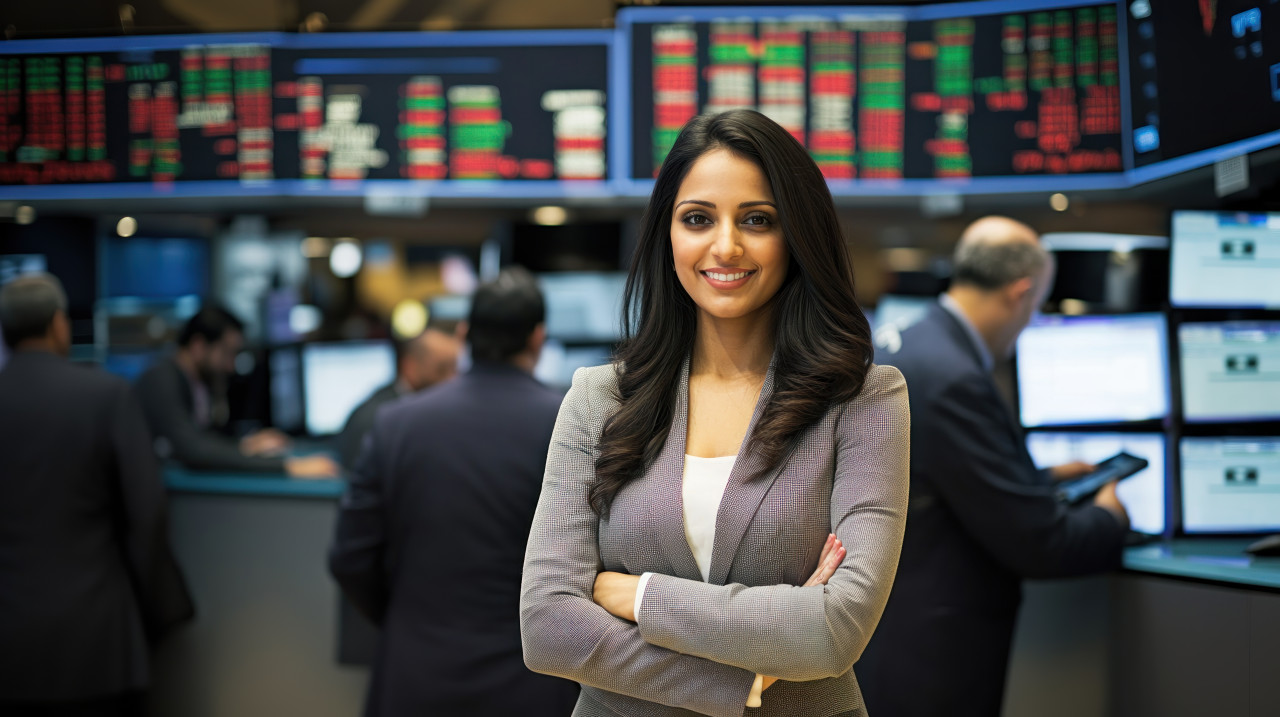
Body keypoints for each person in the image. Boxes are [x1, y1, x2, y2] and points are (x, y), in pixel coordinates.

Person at [519, 109, 910, 717]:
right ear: (667, 234)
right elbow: (548, 626)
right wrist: (747, 678)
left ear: (798, 236)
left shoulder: (863, 399)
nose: (725, 246)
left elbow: (838, 628)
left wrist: (639, 594)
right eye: (698, 219)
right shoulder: (600, 398)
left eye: (757, 220)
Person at [855, 216, 1131, 717]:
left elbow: (933, 483)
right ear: (1020, 293)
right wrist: (1109, 516)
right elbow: (1041, 543)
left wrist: (1039, 480)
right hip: (933, 658)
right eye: (1036, 306)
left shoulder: (905, 343)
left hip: (886, 634)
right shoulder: (955, 377)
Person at [329, 267, 580, 716]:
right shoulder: (571, 426)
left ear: (464, 333)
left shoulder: (396, 425)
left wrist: (408, 618)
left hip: (415, 675)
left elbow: (349, 558)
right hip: (531, 682)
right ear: (538, 339)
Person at [0, 274, 193, 715]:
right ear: (58, 325)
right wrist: (154, 610)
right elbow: (148, 514)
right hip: (94, 639)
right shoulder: (105, 395)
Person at [135, 306, 338, 477]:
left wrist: (246, 444)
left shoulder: (198, 381)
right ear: (198, 346)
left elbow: (206, 437)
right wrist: (288, 467)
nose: (231, 366)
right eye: (226, 353)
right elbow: (193, 450)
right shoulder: (161, 379)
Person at [335, 325, 461, 470]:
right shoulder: (375, 421)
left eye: (455, 368)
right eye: (441, 370)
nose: (453, 379)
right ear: (410, 367)